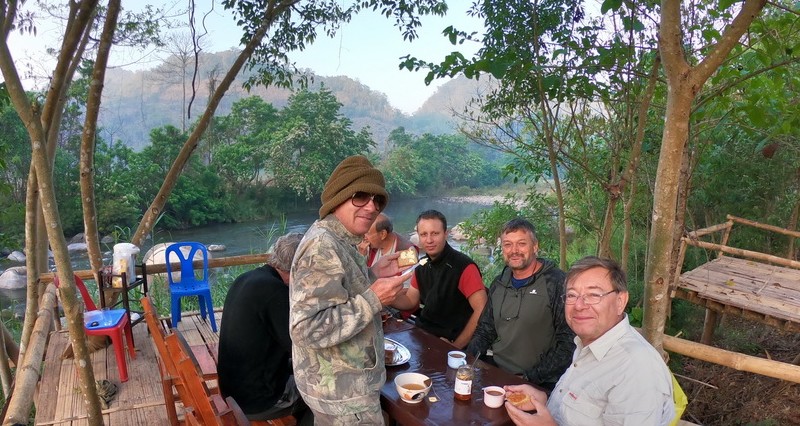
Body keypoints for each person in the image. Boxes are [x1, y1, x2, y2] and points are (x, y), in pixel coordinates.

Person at [289, 155, 410, 425]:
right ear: (338, 198)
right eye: (360, 197)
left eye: (377, 200)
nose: (371, 206)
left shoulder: (339, 239)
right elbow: (306, 328)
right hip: (343, 395)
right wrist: (374, 299)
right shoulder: (322, 246)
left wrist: (374, 273)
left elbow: (337, 292)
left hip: (342, 388)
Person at [503, 256, 675, 426]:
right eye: (571, 295)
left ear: (620, 301)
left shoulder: (636, 369)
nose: (579, 305)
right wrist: (542, 399)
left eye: (593, 295)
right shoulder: (588, 343)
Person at [467, 218, 574, 391]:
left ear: (535, 246)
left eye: (521, 244)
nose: (514, 251)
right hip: (497, 371)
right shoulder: (499, 283)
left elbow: (569, 343)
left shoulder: (556, 283)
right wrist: (468, 361)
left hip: (540, 382)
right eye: (508, 244)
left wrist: (528, 378)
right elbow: (485, 330)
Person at [217, 232, 311, 424]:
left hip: (232, 390)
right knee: (327, 397)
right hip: (258, 400)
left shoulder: (246, 278)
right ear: (299, 267)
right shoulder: (276, 293)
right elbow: (301, 348)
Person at [392, 210, 487, 349]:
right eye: (424, 234)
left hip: (449, 339)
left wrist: (456, 346)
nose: (429, 240)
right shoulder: (422, 264)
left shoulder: (463, 266)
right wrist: (386, 296)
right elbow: (410, 300)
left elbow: (482, 308)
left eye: (435, 233)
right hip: (423, 333)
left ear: (446, 234)